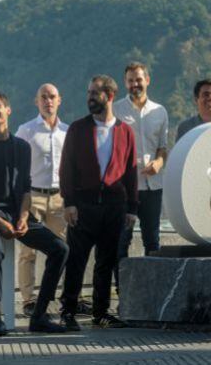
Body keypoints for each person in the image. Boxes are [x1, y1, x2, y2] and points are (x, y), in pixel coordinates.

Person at [0, 91, 69, 336]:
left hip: (16, 213)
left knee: (60, 249)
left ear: (8, 110)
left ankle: (40, 316)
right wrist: (0, 222)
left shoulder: (21, 147)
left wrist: (22, 218)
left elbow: (25, 187)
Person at [59, 75, 138, 331]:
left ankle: (101, 313)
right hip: (84, 205)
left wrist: (132, 208)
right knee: (76, 260)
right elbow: (66, 169)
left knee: (106, 261)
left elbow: (131, 172)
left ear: (110, 96)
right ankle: (68, 311)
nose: (90, 97)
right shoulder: (77, 129)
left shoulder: (125, 131)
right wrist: (69, 203)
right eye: (89, 92)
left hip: (115, 207)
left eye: (95, 93)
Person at [15, 84, 69, 317]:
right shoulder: (26, 130)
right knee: (27, 252)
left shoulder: (67, 132)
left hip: (59, 198)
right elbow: (16, 166)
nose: (48, 101)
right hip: (33, 197)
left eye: (52, 97)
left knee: (64, 249)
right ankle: (28, 300)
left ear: (60, 100)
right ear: (36, 102)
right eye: (43, 97)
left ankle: (58, 298)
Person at [113, 62, 168, 259]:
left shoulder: (160, 111)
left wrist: (159, 163)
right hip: (125, 187)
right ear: (125, 83)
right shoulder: (116, 110)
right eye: (130, 81)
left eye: (138, 79)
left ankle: (152, 289)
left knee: (152, 241)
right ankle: (122, 289)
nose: (135, 84)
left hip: (153, 186)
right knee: (121, 241)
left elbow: (162, 146)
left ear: (147, 80)